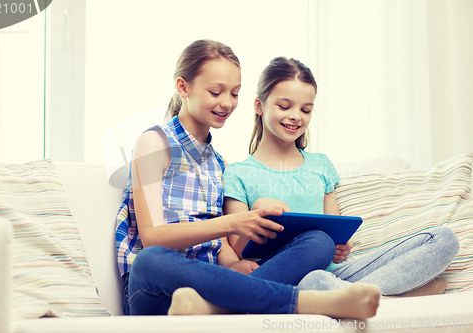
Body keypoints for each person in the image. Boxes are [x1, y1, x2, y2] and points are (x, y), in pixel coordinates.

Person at [115, 40, 381, 319]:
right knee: (150, 260)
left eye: (234, 93)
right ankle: (305, 302)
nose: (227, 103)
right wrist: (234, 222)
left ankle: (220, 308)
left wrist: (233, 264)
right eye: (216, 91)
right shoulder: (153, 143)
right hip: (158, 287)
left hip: (212, 288)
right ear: (183, 87)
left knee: (319, 241)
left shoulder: (222, 166)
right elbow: (153, 237)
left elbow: (222, 247)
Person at [223, 56, 460, 297]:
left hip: (333, 276)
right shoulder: (238, 173)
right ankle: (389, 295)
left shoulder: (320, 165)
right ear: (259, 105)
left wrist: (339, 247)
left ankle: (353, 296)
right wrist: (261, 215)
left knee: (442, 238)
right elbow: (240, 250)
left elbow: (333, 232)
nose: (296, 116)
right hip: (282, 276)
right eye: (284, 107)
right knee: (315, 267)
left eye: (306, 109)